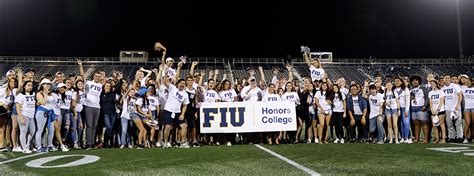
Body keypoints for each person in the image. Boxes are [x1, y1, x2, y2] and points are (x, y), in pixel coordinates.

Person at [162, 77, 190, 148]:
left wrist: (183, 114)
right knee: (167, 126)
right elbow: (165, 82)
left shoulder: (185, 94)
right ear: (178, 84)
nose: (182, 85)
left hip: (177, 112)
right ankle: (165, 142)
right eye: (181, 83)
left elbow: (185, 105)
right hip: (168, 110)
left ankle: (183, 142)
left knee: (184, 126)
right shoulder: (172, 88)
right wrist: (165, 73)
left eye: (184, 84)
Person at [15, 81, 36, 153]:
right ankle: (24, 148)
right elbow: (17, 108)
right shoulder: (20, 95)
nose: (30, 87)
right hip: (24, 115)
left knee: (33, 132)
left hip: (31, 116)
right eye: (28, 85)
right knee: (23, 132)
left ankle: (27, 146)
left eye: (31, 85)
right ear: (24, 86)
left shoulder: (33, 94)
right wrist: (21, 118)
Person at [442, 75, 463, 143]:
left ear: (450, 79)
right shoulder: (442, 88)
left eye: (448, 78)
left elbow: (460, 96)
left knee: (458, 123)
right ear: (443, 80)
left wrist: (457, 105)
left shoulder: (455, 86)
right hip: (447, 108)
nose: (447, 79)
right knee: (449, 124)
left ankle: (460, 137)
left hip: (456, 108)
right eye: (446, 78)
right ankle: (452, 137)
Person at [409, 75, 430, 143]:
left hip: (421, 108)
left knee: (424, 124)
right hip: (413, 109)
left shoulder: (423, 88)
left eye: (416, 80)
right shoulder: (410, 90)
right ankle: (417, 138)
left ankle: (426, 139)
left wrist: (425, 105)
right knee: (416, 124)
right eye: (413, 81)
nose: (414, 82)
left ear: (419, 81)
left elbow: (428, 97)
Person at [394, 77, 411, 144]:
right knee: (400, 123)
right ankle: (402, 137)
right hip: (396, 108)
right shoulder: (394, 89)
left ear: (401, 82)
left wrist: (407, 110)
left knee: (406, 123)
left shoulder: (405, 89)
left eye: (398, 81)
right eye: (395, 81)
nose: (396, 82)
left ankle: (407, 138)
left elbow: (408, 101)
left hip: (404, 108)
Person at [462, 77, 474, 143]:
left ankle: (472, 137)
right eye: (467, 81)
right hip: (466, 108)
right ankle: (465, 138)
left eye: (469, 81)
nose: (468, 83)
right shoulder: (463, 88)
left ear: (472, 82)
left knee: (473, 123)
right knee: (468, 123)